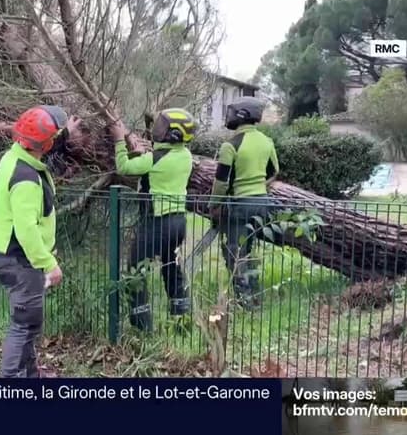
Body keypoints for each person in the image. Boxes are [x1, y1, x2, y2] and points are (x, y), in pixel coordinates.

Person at [0, 105, 82, 378]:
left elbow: (43, 144)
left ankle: (30, 376)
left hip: (11, 255)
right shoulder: (26, 179)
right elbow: (26, 230)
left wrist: (66, 134)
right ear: (46, 143)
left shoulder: (15, 156)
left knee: (29, 322)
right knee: (24, 324)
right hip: (19, 259)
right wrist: (49, 263)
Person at [109, 109, 195, 332]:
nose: (158, 130)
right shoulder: (185, 155)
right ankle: (182, 320)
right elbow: (156, 167)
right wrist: (140, 153)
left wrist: (119, 140)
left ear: (173, 134)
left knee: (136, 270)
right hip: (178, 223)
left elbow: (124, 167)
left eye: (162, 127)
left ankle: (141, 326)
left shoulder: (155, 158)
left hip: (155, 222)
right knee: (171, 268)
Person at [208, 96, 280, 310]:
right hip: (263, 203)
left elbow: (221, 181)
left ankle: (246, 302)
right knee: (249, 249)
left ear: (241, 115)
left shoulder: (230, 145)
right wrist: (260, 187)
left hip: (239, 204)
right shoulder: (267, 141)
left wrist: (214, 204)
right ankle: (255, 293)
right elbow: (274, 171)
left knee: (234, 252)